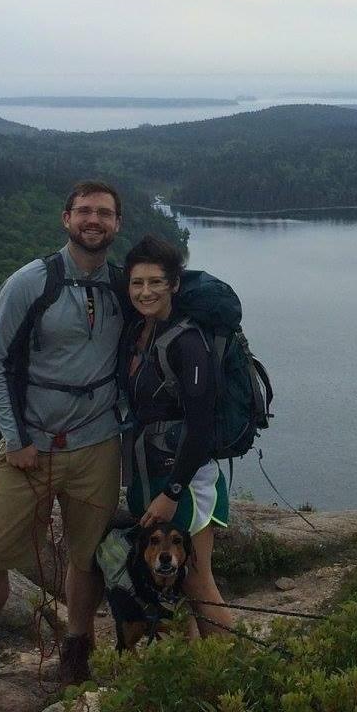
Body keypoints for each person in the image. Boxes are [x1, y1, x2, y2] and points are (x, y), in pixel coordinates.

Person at [0, 180, 129, 685]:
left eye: (104, 213)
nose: (93, 220)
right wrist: (16, 442)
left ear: (117, 223)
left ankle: (77, 647)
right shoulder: (30, 281)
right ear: (66, 218)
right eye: (84, 211)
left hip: (98, 445)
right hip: (28, 447)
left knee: (87, 557)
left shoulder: (125, 287)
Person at [121, 233, 234, 638]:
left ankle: (231, 674)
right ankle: (191, 669)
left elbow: (201, 428)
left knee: (198, 583)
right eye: (137, 283)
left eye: (156, 282)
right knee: (171, 586)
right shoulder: (139, 332)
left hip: (184, 482)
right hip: (148, 474)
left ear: (174, 285)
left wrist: (171, 493)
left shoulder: (187, 342)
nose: (145, 291)